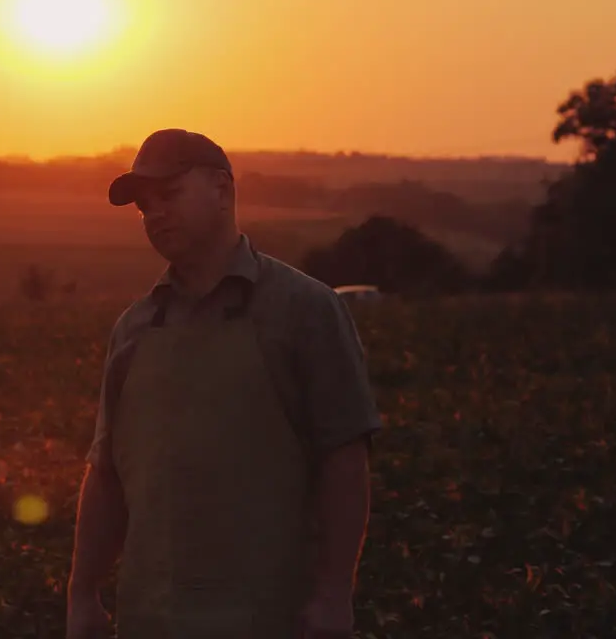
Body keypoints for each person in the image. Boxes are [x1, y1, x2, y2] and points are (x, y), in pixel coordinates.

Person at [66, 129, 381, 638]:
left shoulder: (305, 309)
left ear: (223, 190)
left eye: (169, 195)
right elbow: (105, 475)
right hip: (150, 619)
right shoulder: (134, 329)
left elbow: (344, 458)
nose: (156, 214)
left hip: (272, 618)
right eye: (144, 206)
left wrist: (333, 595)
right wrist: (82, 595)